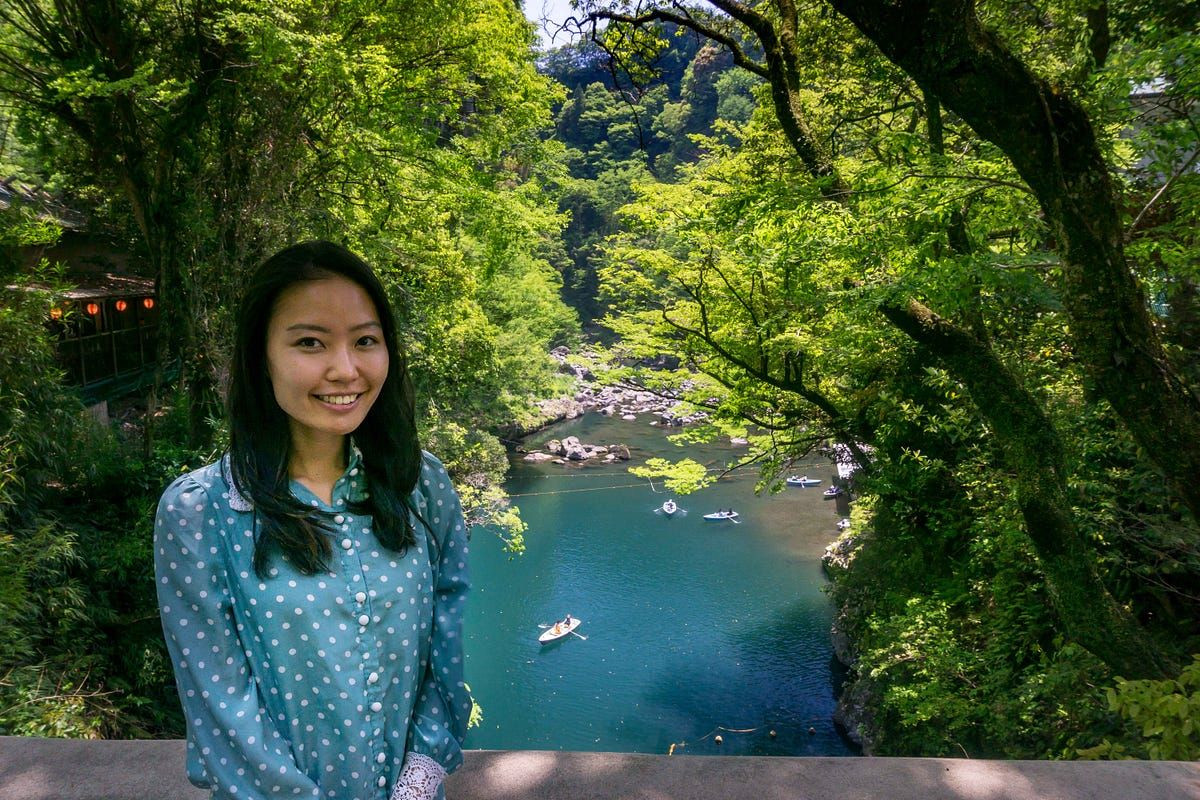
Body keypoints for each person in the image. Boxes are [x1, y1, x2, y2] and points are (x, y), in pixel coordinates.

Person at [154, 241, 471, 800]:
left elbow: (444, 637)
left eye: (365, 341)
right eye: (310, 342)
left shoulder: (419, 485)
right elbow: (220, 704)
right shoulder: (201, 511)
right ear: (261, 357)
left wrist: (420, 774)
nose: (345, 370)